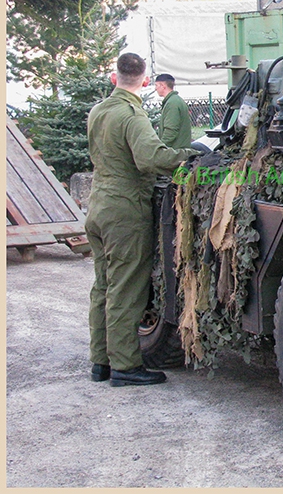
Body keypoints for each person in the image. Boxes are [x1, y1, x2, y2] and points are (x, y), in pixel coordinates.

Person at [86, 53, 197, 387]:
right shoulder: (132, 115)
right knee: (126, 288)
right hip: (124, 210)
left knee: (103, 285)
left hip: (98, 206)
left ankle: (101, 362)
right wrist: (191, 156)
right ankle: (125, 366)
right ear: (146, 81)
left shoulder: (99, 111)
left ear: (113, 78)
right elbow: (150, 158)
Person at [154, 73, 192, 149]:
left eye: (156, 85)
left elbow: (171, 130)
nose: (155, 89)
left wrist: (160, 148)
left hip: (175, 153)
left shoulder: (172, 103)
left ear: (163, 86)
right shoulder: (174, 100)